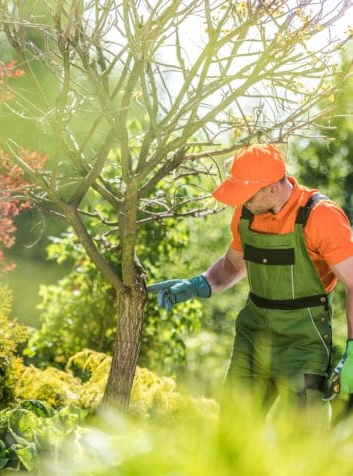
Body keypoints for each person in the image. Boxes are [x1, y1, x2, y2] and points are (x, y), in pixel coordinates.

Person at [150, 143, 353, 425]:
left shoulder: (320, 216)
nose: (240, 202)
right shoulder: (246, 213)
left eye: (246, 194)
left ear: (272, 188)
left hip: (303, 343)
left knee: (304, 437)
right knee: (234, 430)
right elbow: (233, 264)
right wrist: (199, 285)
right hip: (252, 335)